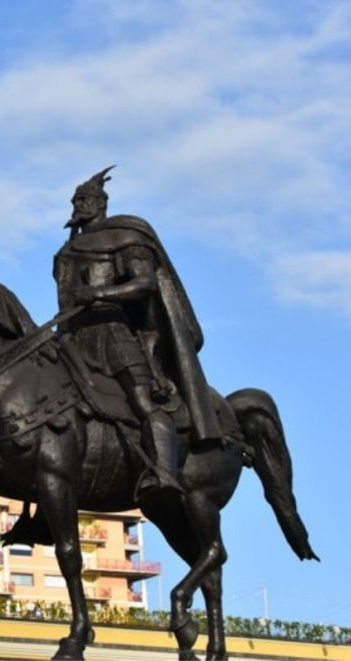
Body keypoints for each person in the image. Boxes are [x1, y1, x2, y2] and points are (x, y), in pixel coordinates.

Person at [53, 166, 223, 502]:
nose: (79, 205)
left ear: (101, 203)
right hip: (71, 337)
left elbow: (144, 284)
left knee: (143, 402)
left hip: (113, 335)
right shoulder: (65, 251)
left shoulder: (126, 237)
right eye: (76, 200)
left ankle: (165, 473)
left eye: (85, 199)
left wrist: (98, 295)